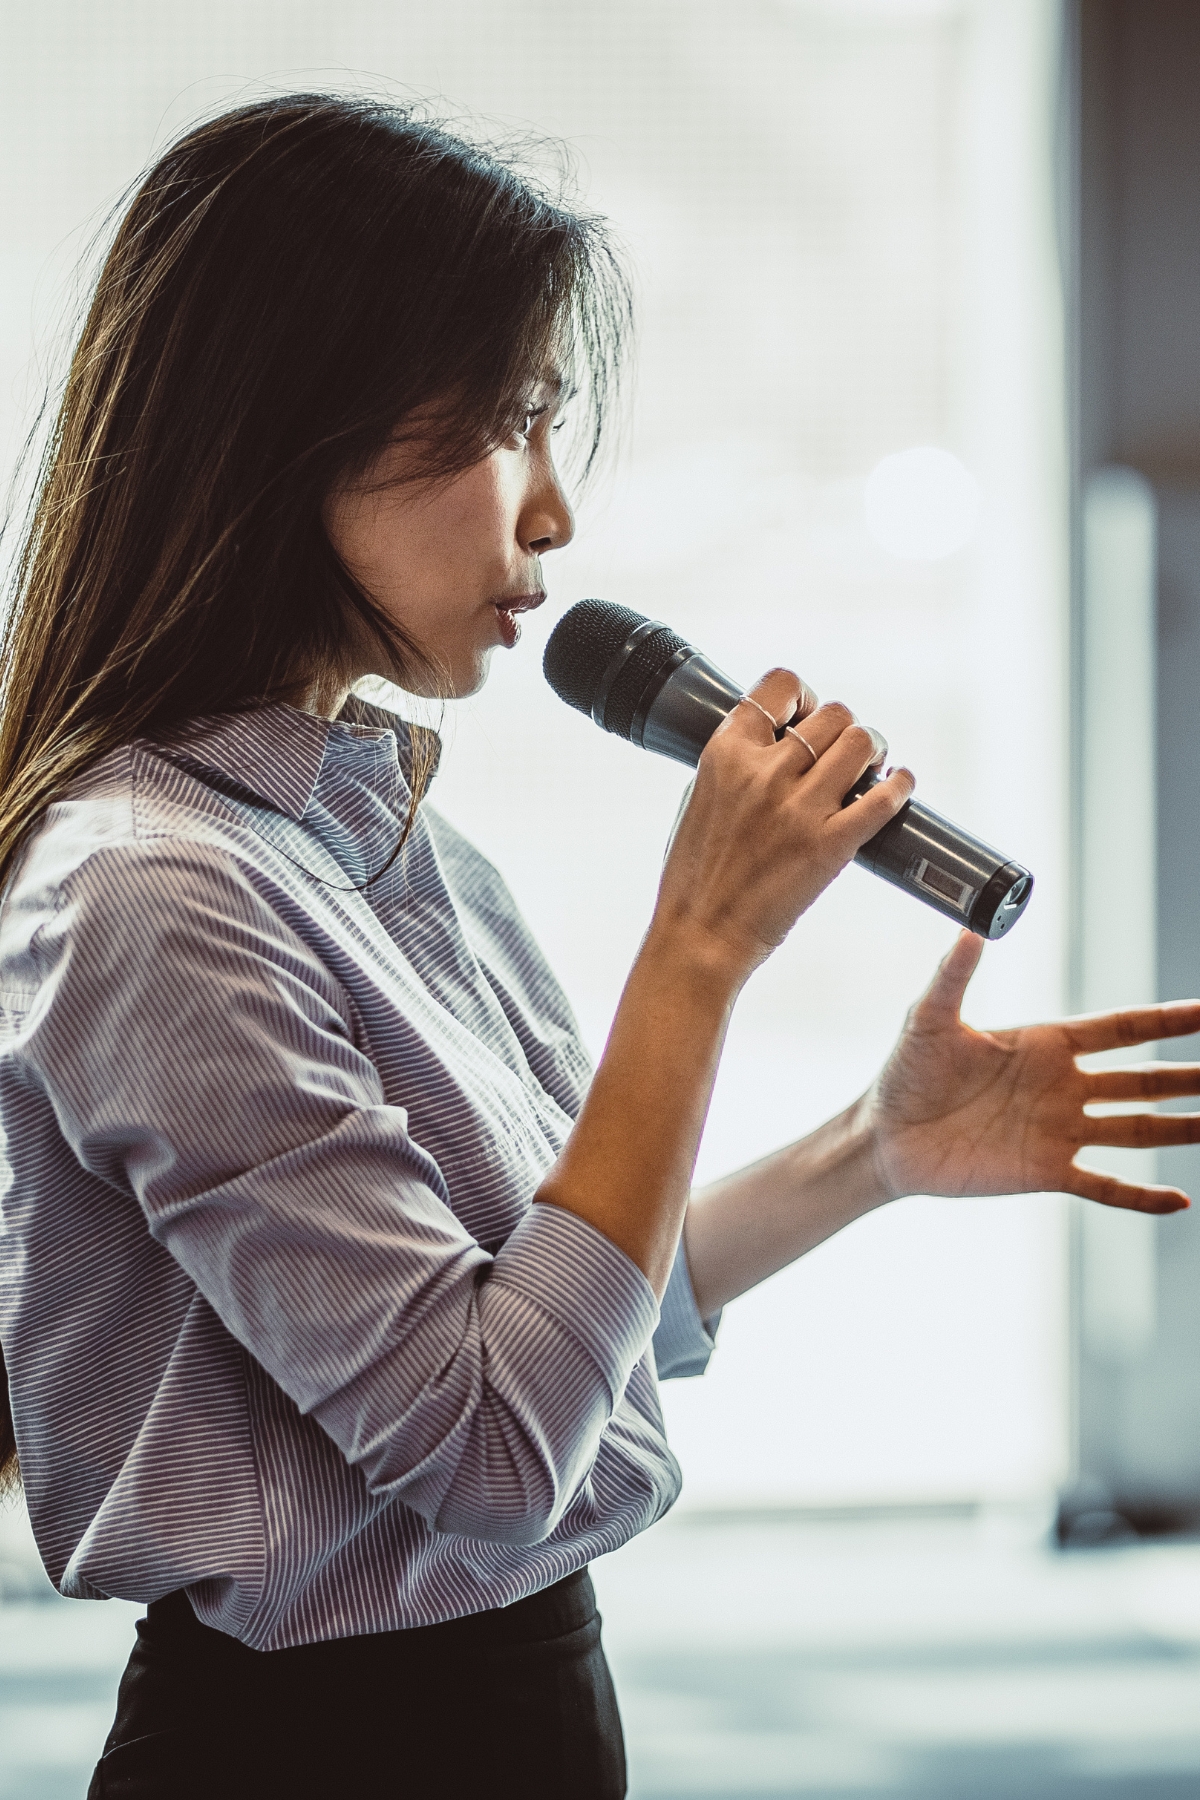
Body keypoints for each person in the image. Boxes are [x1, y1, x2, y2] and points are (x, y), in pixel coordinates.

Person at [0, 94, 1196, 1800]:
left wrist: (874, 1148)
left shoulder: (382, 838)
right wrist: (696, 954)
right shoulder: (149, 890)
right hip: (321, 1753)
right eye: (509, 425)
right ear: (296, 427)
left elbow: (564, 1329)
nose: (553, 513)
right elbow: (490, 1451)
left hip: (525, 1701)